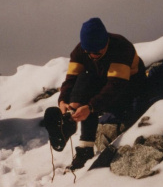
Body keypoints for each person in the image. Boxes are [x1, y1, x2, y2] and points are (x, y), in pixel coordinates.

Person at [54, 17, 147, 170]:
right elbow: (71, 79)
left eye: (96, 52)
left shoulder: (121, 47)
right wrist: (63, 100)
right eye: (88, 52)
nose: (92, 56)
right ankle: (72, 121)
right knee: (84, 78)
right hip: (105, 84)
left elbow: (116, 86)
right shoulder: (80, 52)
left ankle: (83, 139)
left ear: (106, 43)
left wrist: (90, 107)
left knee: (92, 97)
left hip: (131, 87)